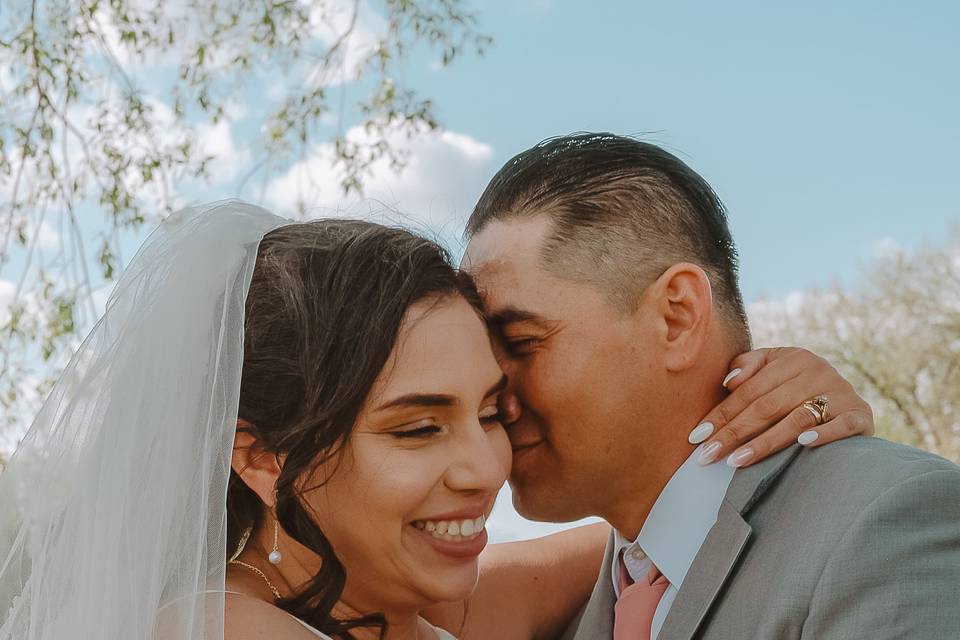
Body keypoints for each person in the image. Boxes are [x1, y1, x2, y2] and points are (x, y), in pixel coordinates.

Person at [0, 201, 873, 640]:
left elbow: (634, 540)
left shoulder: (390, 599)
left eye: (490, 412)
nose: (484, 466)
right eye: (417, 427)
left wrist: (763, 402)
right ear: (261, 459)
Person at [457, 133, 960, 640]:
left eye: (521, 343)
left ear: (677, 317)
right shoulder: (578, 604)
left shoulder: (884, 524)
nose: (491, 396)